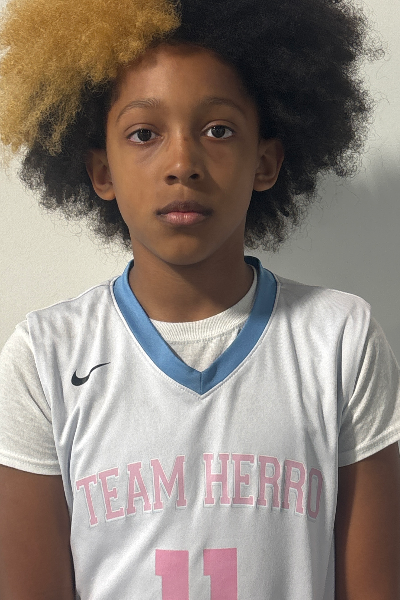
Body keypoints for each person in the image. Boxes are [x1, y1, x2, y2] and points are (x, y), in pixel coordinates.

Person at [0, 0, 399, 598]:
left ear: (265, 161)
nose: (182, 163)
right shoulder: (44, 356)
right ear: (102, 171)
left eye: (218, 130)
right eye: (144, 134)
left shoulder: (339, 339)